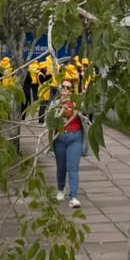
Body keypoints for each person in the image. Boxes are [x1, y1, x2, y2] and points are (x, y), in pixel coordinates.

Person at [51, 79, 83, 208]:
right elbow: (51, 122)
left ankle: (74, 197)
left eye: (68, 88)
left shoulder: (78, 103)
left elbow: (89, 111)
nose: (65, 90)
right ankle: (60, 189)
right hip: (60, 137)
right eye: (63, 87)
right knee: (61, 167)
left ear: (73, 90)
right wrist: (60, 109)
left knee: (73, 167)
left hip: (75, 137)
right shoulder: (55, 103)